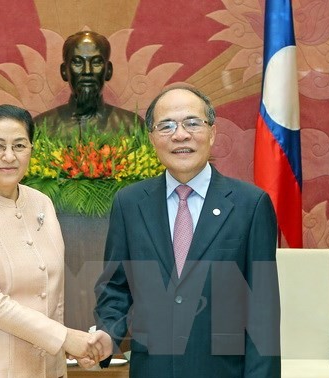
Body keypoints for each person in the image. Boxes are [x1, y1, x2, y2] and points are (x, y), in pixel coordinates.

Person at [92, 86, 281, 377]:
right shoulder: (129, 203)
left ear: (212, 133)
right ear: (152, 138)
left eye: (192, 123)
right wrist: (107, 334)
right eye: (166, 126)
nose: (180, 135)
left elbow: (262, 313)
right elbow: (116, 287)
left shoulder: (250, 205)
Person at [0, 104, 109, 378]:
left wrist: (67, 350)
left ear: (31, 150)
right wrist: (65, 338)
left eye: (19, 145)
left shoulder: (41, 202)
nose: (9, 156)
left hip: (45, 367)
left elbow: (52, 292)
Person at [33, 31, 143, 137]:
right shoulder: (41, 127)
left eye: (96, 62)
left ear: (109, 71)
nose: (87, 71)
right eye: (77, 62)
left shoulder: (133, 126)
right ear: (64, 71)